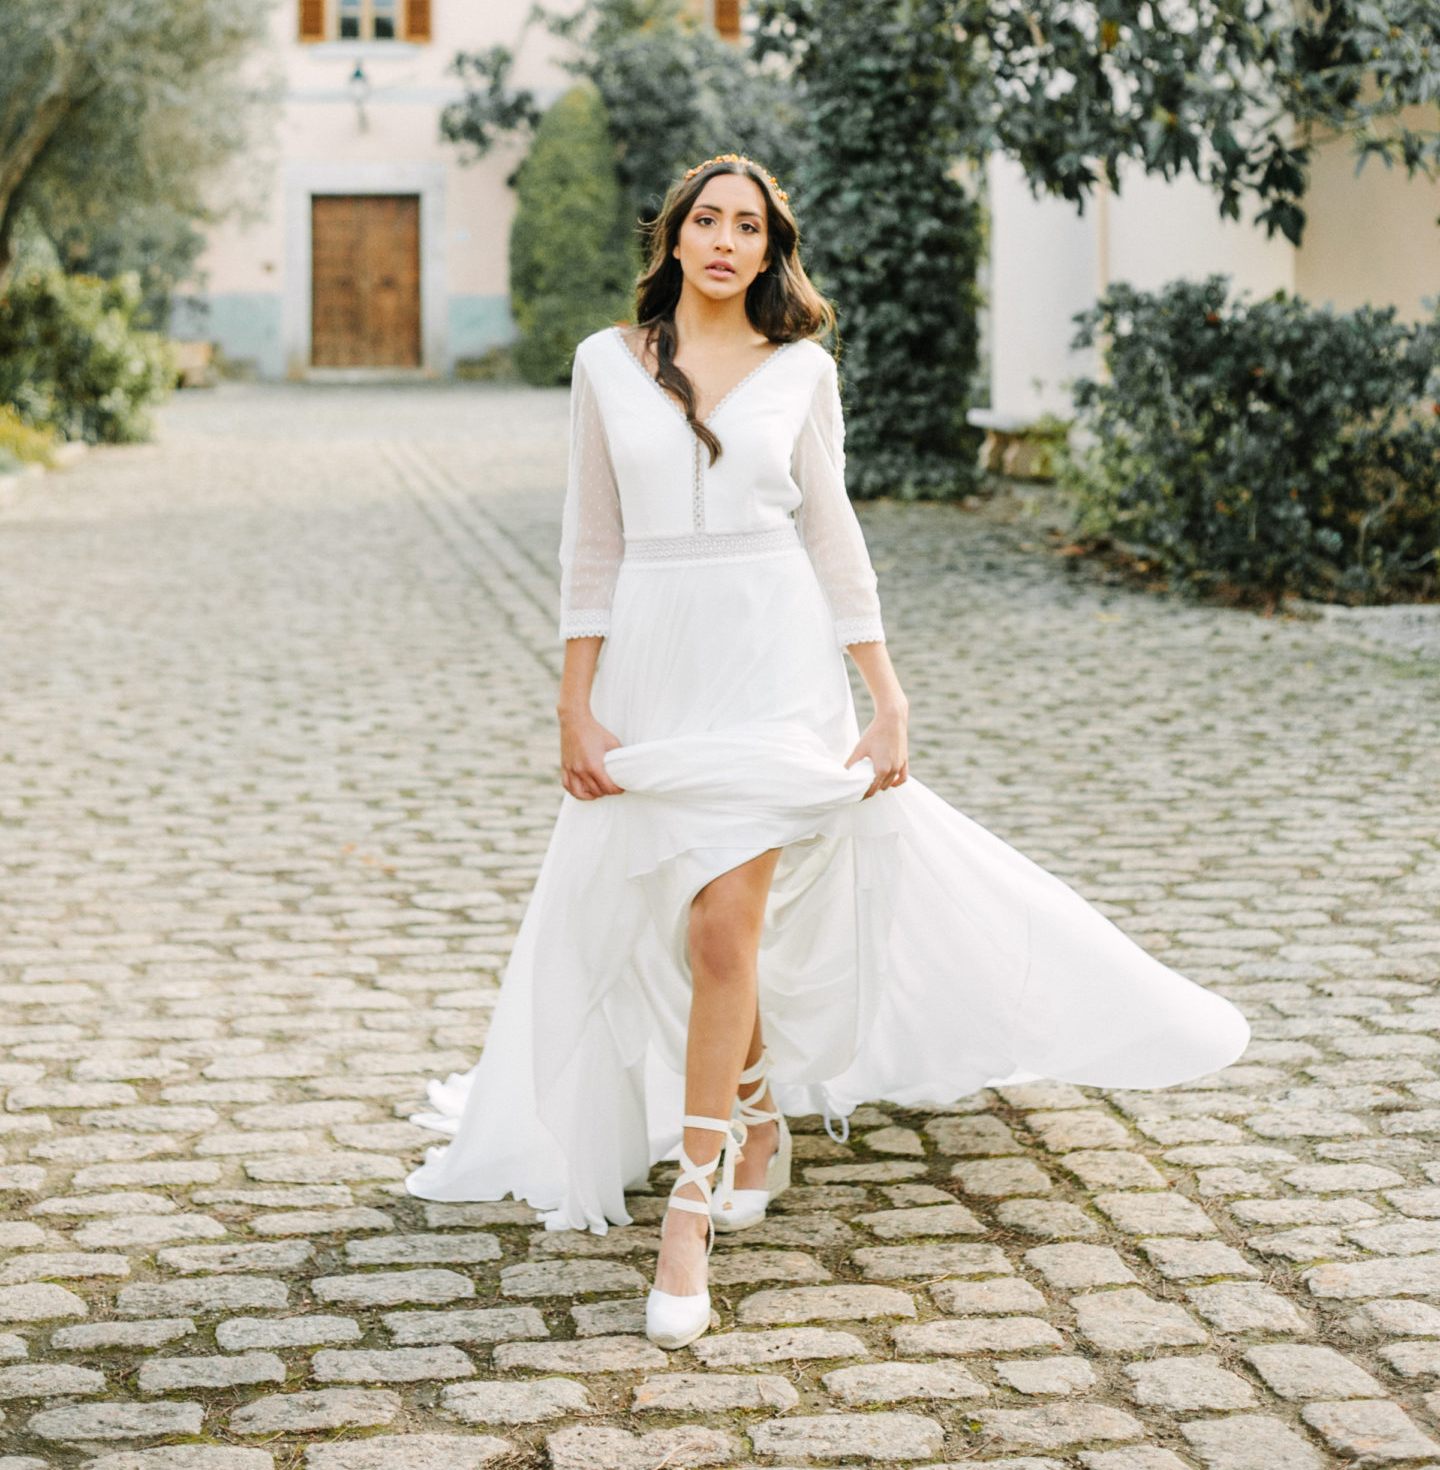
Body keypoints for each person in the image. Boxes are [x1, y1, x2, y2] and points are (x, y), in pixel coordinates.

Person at [407, 154, 1249, 1349]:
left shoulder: (802, 371)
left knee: (721, 928)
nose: (725, 240)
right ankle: (753, 1112)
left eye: (748, 226)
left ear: (769, 250)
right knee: (689, 917)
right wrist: (573, 707)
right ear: (676, 237)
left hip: (772, 661)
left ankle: (689, 1212)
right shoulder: (606, 365)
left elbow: (833, 533)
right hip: (653, 669)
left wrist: (886, 694)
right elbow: (588, 547)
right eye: (708, 218)